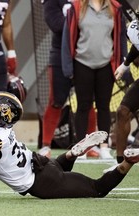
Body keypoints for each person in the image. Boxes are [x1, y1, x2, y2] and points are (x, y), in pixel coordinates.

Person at [0, 91, 139, 204]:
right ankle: (71, 154)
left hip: (42, 182)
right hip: (40, 164)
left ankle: (127, 162)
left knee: (97, 189)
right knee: (57, 168)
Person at [61, 0, 127, 159]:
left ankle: (104, 147)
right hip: (82, 63)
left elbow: (120, 37)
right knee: (83, 106)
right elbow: (67, 37)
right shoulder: (76, 7)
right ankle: (81, 147)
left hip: (106, 64)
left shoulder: (115, 8)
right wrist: (68, 68)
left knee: (104, 106)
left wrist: (123, 64)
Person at [39, 0, 98, 159]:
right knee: (56, 100)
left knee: (87, 101)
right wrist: (87, 24)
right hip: (60, 54)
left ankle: (91, 145)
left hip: (85, 53)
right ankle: (46, 145)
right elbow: (56, 25)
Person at [104, 19, 139, 172]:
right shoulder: (133, 28)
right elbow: (137, 47)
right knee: (122, 111)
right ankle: (120, 162)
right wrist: (125, 65)